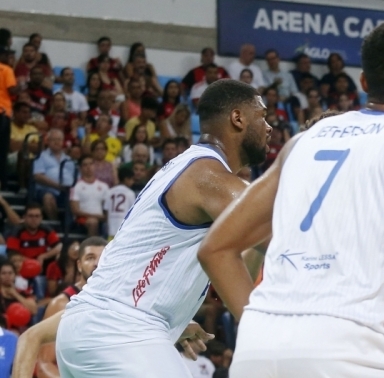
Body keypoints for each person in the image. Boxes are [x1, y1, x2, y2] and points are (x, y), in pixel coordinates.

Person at [198, 20, 384, 376]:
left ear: (364, 83)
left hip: (257, 350)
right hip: (346, 350)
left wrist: (264, 327)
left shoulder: (303, 142)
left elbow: (214, 248)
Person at [54, 79, 271, 377]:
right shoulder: (209, 176)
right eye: (262, 116)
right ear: (238, 118)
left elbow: (248, 251)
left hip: (95, 327)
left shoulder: (187, 166)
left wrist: (175, 321)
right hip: (120, 329)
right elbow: (282, 236)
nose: (269, 127)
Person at [12, 237, 107, 378]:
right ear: (79, 265)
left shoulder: (121, 298)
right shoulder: (62, 303)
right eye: (90, 258)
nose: (97, 263)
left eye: (103, 258)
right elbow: (44, 365)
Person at [33, 130, 76, 219]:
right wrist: (58, 186)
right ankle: (55, 224)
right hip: (47, 189)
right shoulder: (41, 156)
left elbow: (74, 177)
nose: (57, 142)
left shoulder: (68, 159)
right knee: (48, 197)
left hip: (67, 191)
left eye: (59, 140)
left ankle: (71, 226)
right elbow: (38, 176)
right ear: (48, 141)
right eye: (54, 139)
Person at [69, 157, 109, 237]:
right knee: (93, 222)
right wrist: (96, 216)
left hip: (101, 219)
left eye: (91, 164)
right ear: (80, 168)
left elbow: (107, 207)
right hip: (82, 220)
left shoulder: (104, 186)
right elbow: (75, 210)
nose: (88, 167)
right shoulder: (76, 186)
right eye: (85, 165)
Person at [104, 166, 137, 239]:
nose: (132, 182)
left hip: (111, 228)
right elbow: (132, 211)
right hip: (124, 229)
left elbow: (106, 210)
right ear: (126, 179)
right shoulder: (130, 193)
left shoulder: (110, 192)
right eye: (132, 179)